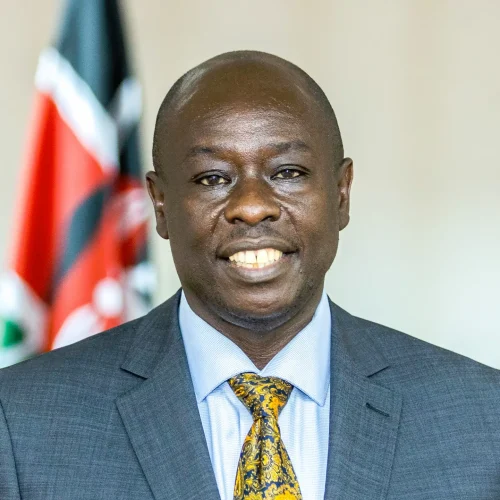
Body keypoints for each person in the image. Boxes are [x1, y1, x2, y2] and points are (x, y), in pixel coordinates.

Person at [0, 51, 499, 500]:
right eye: (213, 178)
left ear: (341, 194)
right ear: (161, 204)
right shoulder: (22, 422)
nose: (253, 206)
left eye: (288, 172)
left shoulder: (482, 418)